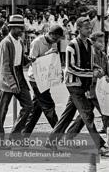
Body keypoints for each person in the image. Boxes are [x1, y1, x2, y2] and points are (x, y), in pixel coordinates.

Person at [46, 17, 109, 156]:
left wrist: (97, 69)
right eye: (86, 27)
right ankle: (101, 146)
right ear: (78, 29)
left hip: (83, 84)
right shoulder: (72, 45)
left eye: (89, 27)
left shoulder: (89, 45)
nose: (89, 30)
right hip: (74, 84)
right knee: (88, 114)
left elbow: (90, 63)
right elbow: (71, 68)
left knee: (67, 115)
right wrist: (92, 73)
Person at [0, 15, 34, 148]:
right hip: (7, 79)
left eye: (22, 27)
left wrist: (28, 59)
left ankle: (15, 136)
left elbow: (19, 58)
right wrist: (11, 83)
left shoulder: (20, 41)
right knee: (2, 110)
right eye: (19, 28)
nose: (21, 30)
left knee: (28, 105)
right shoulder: (5, 43)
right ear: (12, 28)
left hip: (19, 76)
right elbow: (4, 66)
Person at [22, 25, 63, 138]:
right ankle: (58, 133)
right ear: (49, 33)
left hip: (45, 78)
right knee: (49, 105)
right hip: (36, 78)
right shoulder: (37, 42)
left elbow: (53, 61)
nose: (55, 41)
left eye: (57, 40)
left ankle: (24, 135)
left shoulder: (53, 42)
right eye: (54, 39)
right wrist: (47, 55)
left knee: (36, 109)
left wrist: (58, 72)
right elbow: (33, 61)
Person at [65, 31, 109, 139]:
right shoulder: (91, 55)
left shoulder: (103, 55)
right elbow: (87, 72)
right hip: (91, 89)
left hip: (101, 90)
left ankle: (69, 136)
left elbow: (106, 71)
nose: (102, 44)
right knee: (106, 113)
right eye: (99, 42)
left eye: (103, 42)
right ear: (92, 43)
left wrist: (107, 76)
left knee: (83, 116)